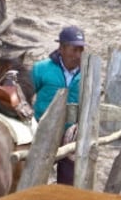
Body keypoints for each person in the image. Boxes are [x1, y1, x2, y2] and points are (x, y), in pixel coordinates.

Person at [31, 25, 85, 184]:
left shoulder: (88, 73)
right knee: (36, 176)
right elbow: (25, 95)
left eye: (80, 49)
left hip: (72, 134)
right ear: (61, 48)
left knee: (68, 181)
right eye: (73, 49)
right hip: (42, 130)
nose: (77, 54)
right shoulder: (41, 69)